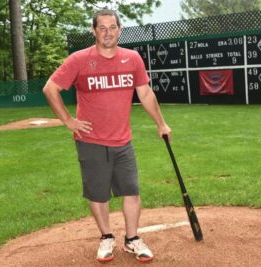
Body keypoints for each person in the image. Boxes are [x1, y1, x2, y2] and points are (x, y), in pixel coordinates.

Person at [42, 9, 171, 263]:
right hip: (91, 141)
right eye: (102, 28)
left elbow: (144, 93)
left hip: (123, 140)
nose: (107, 32)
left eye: (112, 27)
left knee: (131, 192)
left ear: (119, 30)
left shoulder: (132, 59)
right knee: (98, 194)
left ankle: (133, 239)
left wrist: (161, 124)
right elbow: (50, 88)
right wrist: (68, 120)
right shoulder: (79, 60)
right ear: (94, 31)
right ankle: (106, 238)